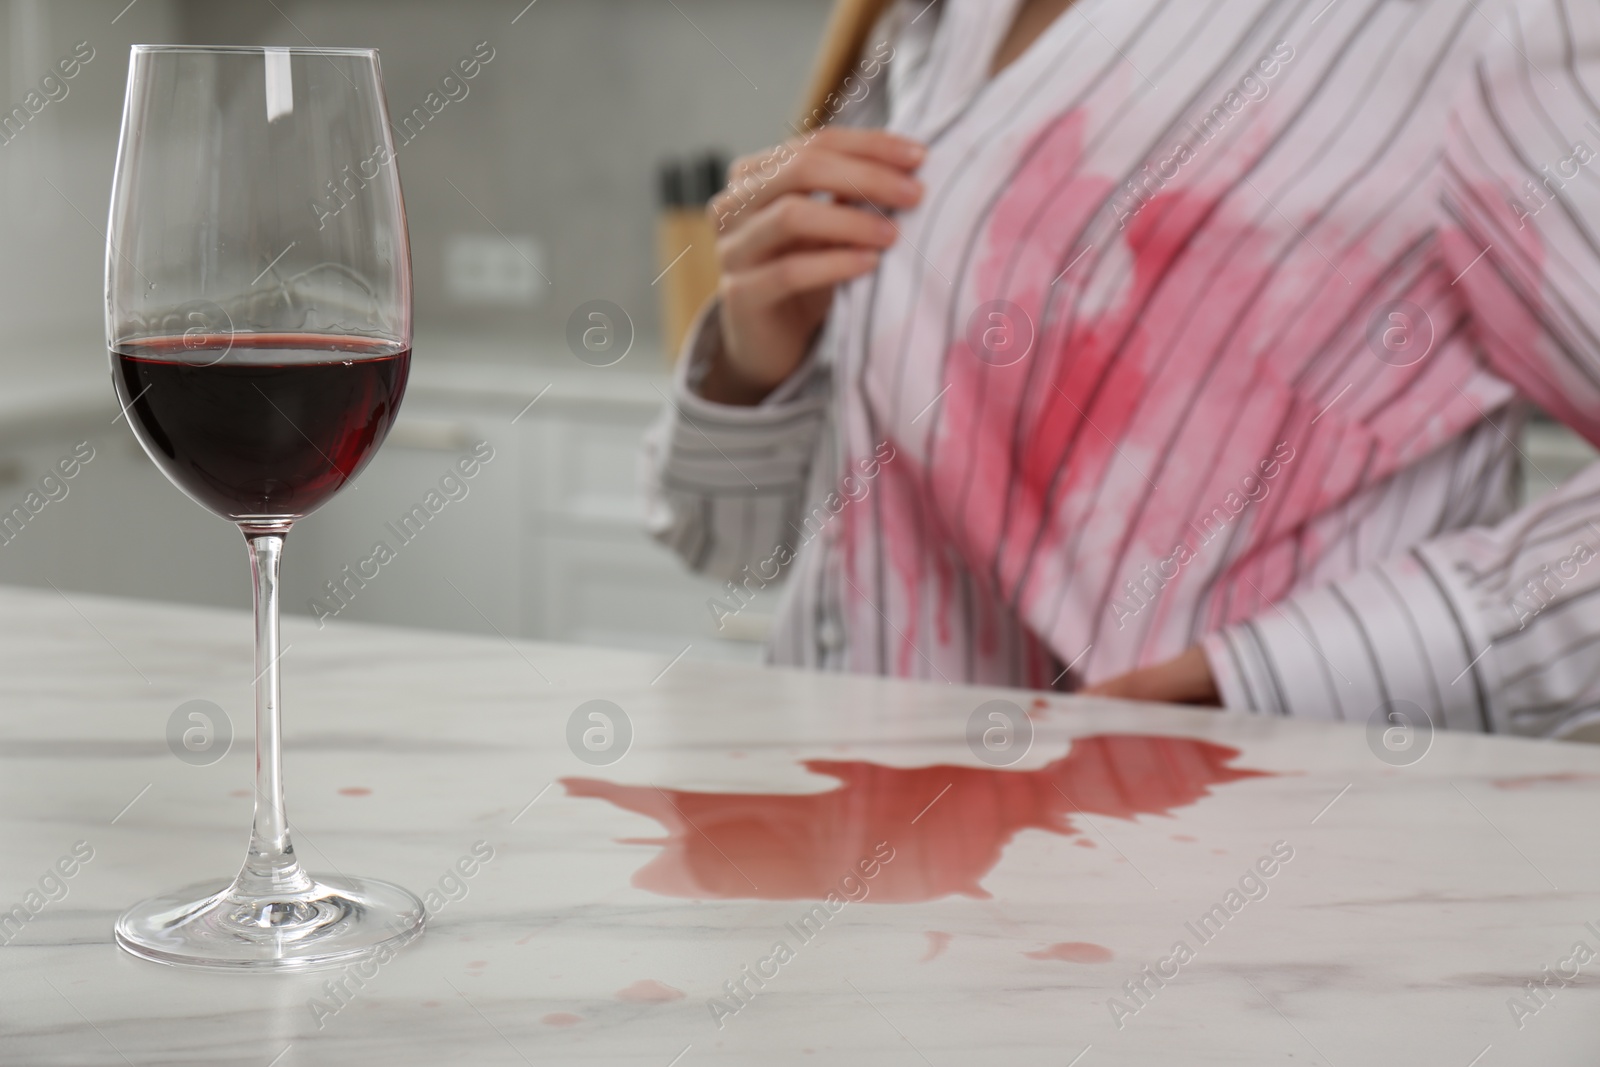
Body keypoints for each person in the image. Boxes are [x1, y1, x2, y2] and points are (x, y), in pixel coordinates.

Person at [642, 0, 1600, 739]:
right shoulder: (923, 25)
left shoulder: (1482, 25)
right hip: (850, 873)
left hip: (1213, 881)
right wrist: (751, 359)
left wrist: (1296, 675)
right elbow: (731, 551)